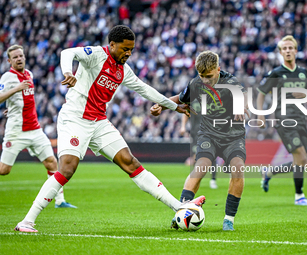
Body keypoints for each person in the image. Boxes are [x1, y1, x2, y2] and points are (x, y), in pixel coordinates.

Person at [15, 25, 205, 233]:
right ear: (112, 45)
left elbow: (145, 89)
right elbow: (67, 52)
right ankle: (27, 221)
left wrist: (174, 106)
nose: (129, 53)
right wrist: (68, 72)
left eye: (131, 49)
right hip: (75, 119)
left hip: (99, 122)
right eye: (125, 49)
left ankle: (179, 207)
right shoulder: (96, 54)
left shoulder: (124, 70)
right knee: (67, 169)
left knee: (130, 163)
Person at [151, 51, 249, 231]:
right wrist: (161, 105)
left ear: (218, 69)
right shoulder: (195, 84)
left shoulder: (231, 82)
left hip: (233, 136)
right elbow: (179, 99)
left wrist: (240, 108)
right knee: (200, 167)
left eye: (209, 76)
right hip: (208, 134)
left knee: (237, 168)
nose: (205, 81)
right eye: (202, 76)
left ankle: (228, 220)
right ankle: (181, 212)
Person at [0, 45, 76, 209]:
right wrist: (16, 89)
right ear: (9, 61)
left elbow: (25, 101)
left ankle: (60, 201)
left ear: (25, 57)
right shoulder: (7, 77)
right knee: (4, 170)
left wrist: (13, 107)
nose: (19, 59)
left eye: (21, 56)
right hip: (16, 131)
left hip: (35, 130)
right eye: (15, 57)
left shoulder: (29, 74)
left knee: (51, 162)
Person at [256, 35, 307, 206]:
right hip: (284, 119)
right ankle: (299, 196)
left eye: (291, 48)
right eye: (285, 49)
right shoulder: (276, 73)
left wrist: (305, 95)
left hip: (301, 120)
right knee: (301, 156)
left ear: (296, 51)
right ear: (281, 52)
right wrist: (260, 114)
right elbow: (261, 93)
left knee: (301, 160)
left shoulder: (303, 73)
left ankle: (269, 172)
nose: (288, 51)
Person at [179, 106, 220, 189]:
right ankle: (195, 181)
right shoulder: (192, 99)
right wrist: (183, 126)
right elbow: (185, 112)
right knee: (196, 157)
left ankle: (213, 179)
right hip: (195, 133)